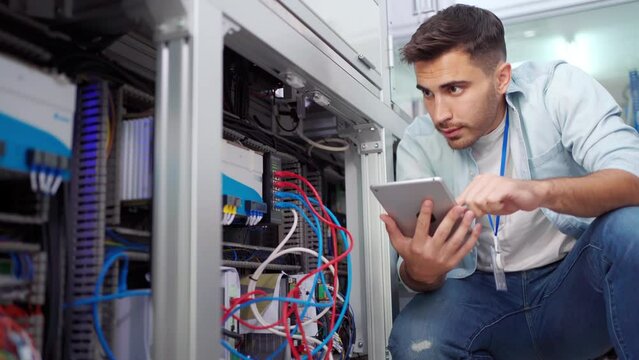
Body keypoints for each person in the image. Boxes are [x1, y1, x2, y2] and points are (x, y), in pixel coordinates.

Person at [381, 4, 639, 360]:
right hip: (480, 298)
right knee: (415, 340)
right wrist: (419, 272)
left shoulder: (556, 88)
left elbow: (633, 179)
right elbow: (417, 275)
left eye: (454, 89)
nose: (439, 114)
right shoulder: (417, 142)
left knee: (631, 229)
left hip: (570, 288)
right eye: (427, 93)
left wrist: (536, 192)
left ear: (501, 78)